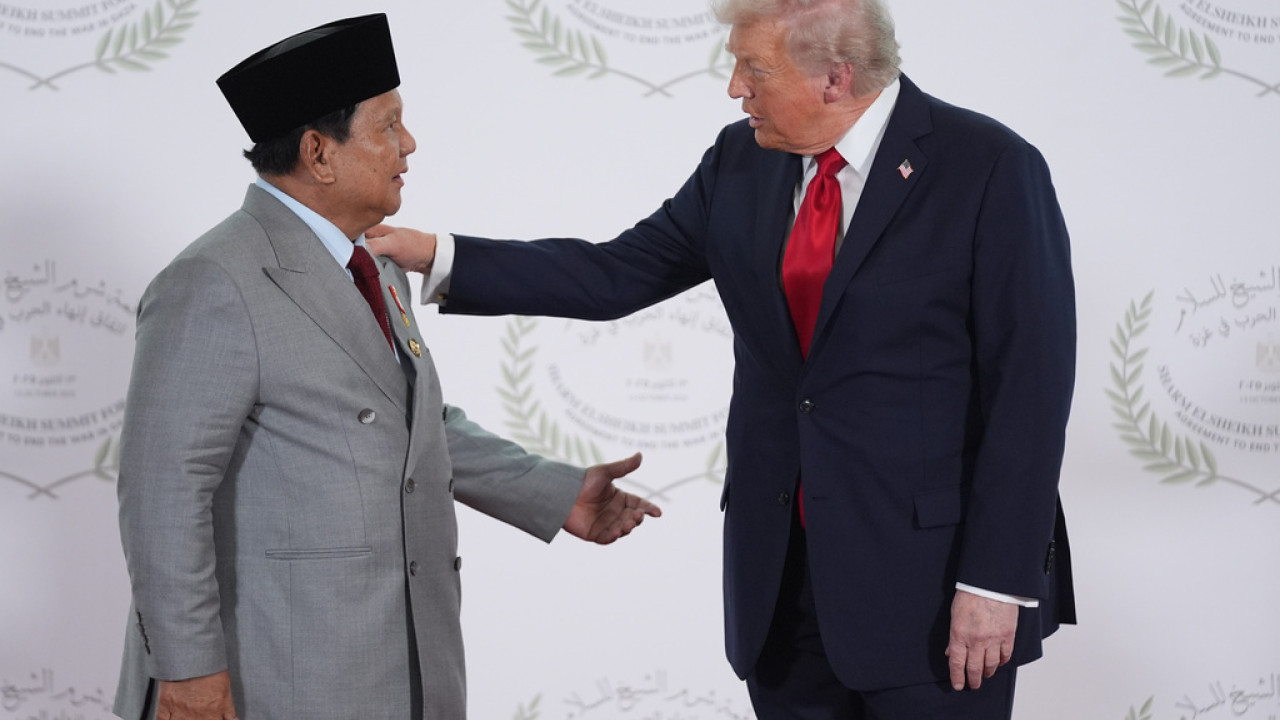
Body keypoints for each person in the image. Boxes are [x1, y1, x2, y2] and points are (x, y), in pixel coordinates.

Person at [369, 0, 1077, 717]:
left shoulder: (988, 167)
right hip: (780, 588)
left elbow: (1032, 392)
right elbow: (614, 273)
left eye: (753, 69)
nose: (735, 88)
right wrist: (437, 254)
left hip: (933, 591)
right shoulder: (742, 159)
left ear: (835, 78)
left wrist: (996, 582)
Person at [112, 14, 660, 720]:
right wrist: (187, 672)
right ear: (318, 152)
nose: (410, 144)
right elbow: (162, 491)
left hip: (396, 661)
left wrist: (553, 493)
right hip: (274, 673)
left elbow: (415, 424)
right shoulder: (214, 279)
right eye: (389, 126)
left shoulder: (373, 261)